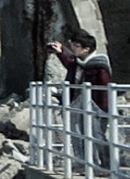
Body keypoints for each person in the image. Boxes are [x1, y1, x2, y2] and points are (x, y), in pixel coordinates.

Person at [46, 29, 114, 169]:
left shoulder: (99, 66)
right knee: (78, 135)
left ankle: (106, 165)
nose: (73, 49)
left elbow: (105, 90)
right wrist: (61, 51)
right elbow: (70, 62)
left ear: (86, 49)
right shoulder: (79, 63)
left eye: (76, 46)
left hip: (96, 107)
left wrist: (103, 110)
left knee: (97, 136)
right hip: (78, 105)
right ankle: (85, 164)